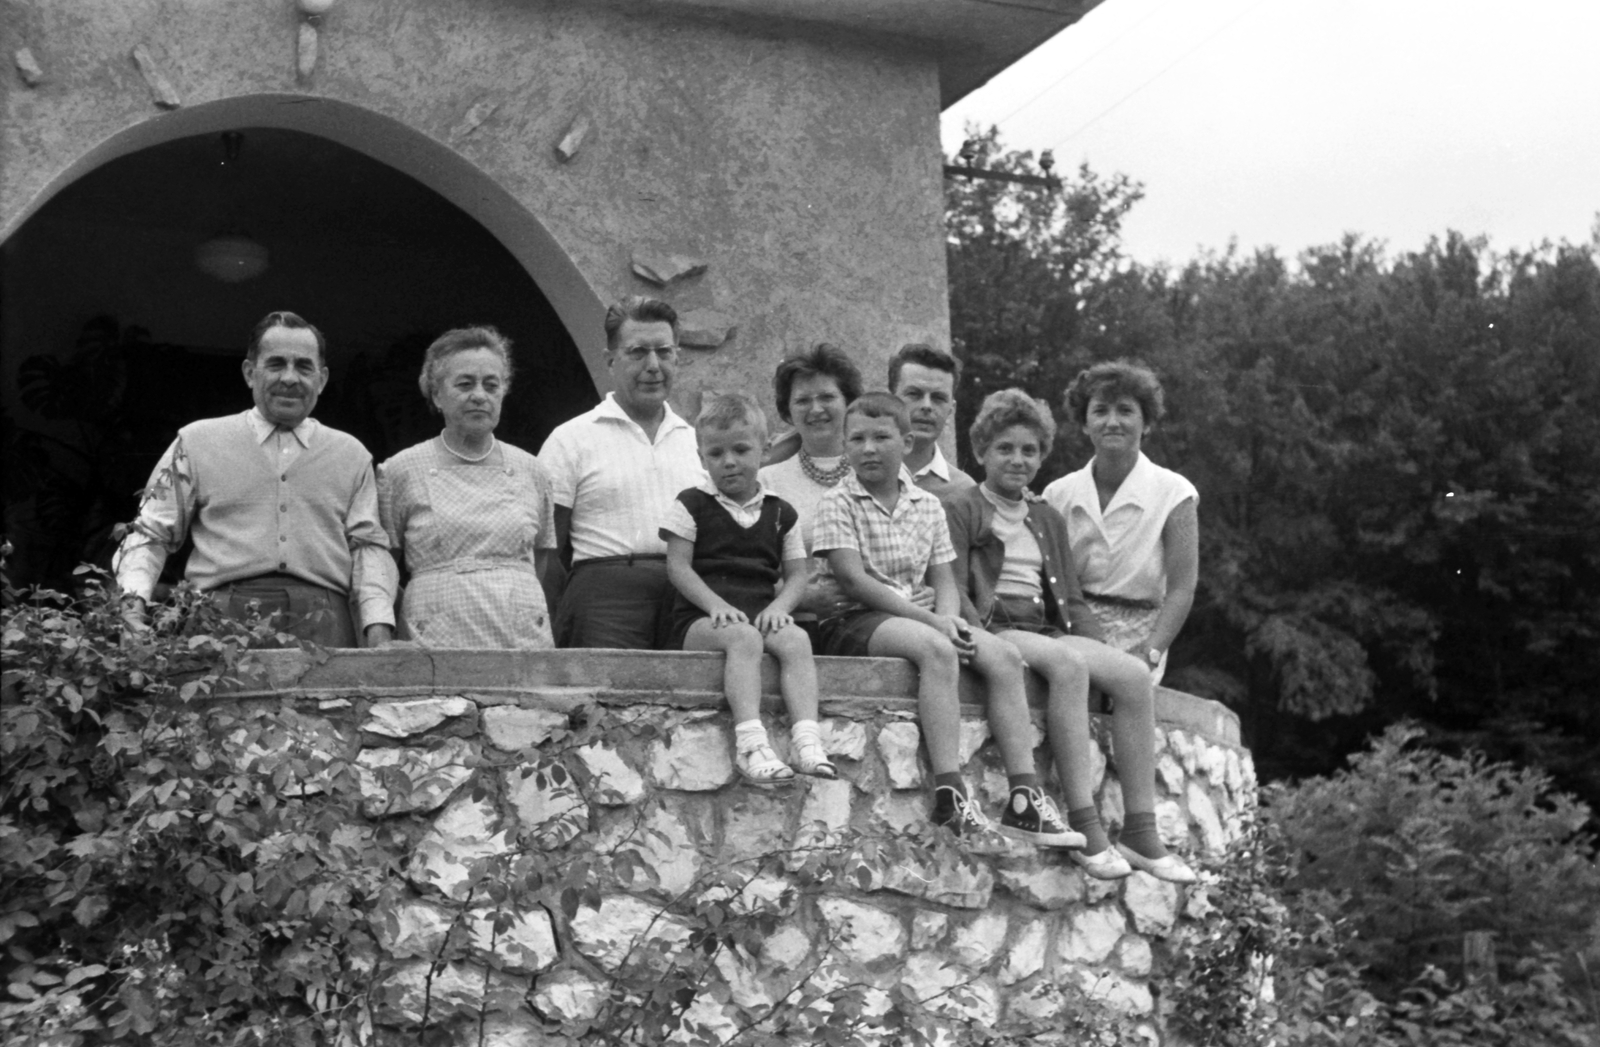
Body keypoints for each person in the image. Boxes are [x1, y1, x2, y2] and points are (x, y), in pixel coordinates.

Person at [811, 392, 1082, 847]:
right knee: (936, 650)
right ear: (845, 444)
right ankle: (949, 793)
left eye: (881, 437)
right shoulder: (838, 501)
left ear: (906, 440)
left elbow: (945, 580)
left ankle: (1024, 796)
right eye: (856, 439)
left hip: (917, 616)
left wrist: (950, 618)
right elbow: (854, 582)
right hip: (854, 618)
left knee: (1004, 655)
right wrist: (932, 622)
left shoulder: (928, 505)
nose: (868, 448)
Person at [948, 389, 1196, 883]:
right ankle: (1087, 826)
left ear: (1042, 456)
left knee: (1129, 674)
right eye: (1005, 449)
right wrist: (978, 634)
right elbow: (952, 584)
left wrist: (1099, 644)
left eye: (1029, 451)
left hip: (1043, 626)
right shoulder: (961, 506)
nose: (1018, 460)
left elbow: (1071, 599)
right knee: (1068, 666)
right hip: (997, 627)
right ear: (980, 452)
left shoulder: (1045, 515)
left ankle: (1141, 832)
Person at [113, 310, 396, 647]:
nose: (290, 378)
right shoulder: (197, 441)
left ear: (321, 379)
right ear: (250, 373)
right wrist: (131, 613)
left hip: (324, 621)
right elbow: (151, 531)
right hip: (219, 618)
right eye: (276, 364)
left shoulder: (351, 454)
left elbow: (369, 548)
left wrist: (379, 630)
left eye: (304, 367)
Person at [661, 393, 835, 785]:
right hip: (700, 619)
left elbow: (796, 574)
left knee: (796, 641)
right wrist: (715, 605)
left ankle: (807, 740)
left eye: (741, 450)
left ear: (765, 449)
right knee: (743, 639)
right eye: (715, 453)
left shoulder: (780, 512)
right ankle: (751, 743)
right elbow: (678, 567)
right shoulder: (691, 504)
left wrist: (782, 607)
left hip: (760, 611)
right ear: (701, 455)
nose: (729, 462)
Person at [375, 327, 557, 648]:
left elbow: (541, 557)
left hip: (522, 632)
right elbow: (382, 563)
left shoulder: (533, 470)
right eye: (464, 384)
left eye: (491, 385)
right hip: (436, 631)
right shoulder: (400, 470)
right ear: (436, 394)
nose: (479, 395)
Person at [540, 296, 706, 649]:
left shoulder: (698, 442)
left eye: (664, 352)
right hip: (604, 604)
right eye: (637, 352)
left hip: (687, 601)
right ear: (610, 360)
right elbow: (546, 549)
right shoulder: (571, 439)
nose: (653, 365)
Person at [1042, 361, 1198, 685]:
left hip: (1141, 634)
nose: (1112, 422)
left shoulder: (1175, 494)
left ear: (1147, 423)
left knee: (1126, 692)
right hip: (1072, 628)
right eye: (1100, 411)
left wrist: (1151, 654)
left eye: (1125, 411)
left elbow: (1182, 589)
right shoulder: (1057, 494)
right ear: (1085, 423)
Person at [756, 343, 865, 619]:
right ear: (787, 411)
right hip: (796, 625)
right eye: (803, 401)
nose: (816, 409)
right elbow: (749, 571)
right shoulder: (766, 482)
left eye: (827, 397)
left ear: (849, 403)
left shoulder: (877, 474)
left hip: (878, 620)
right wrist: (801, 597)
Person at [888, 343, 977, 500]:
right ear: (889, 400)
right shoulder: (855, 477)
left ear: (951, 409)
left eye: (938, 398)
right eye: (914, 394)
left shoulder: (965, 493)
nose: (926, 406)